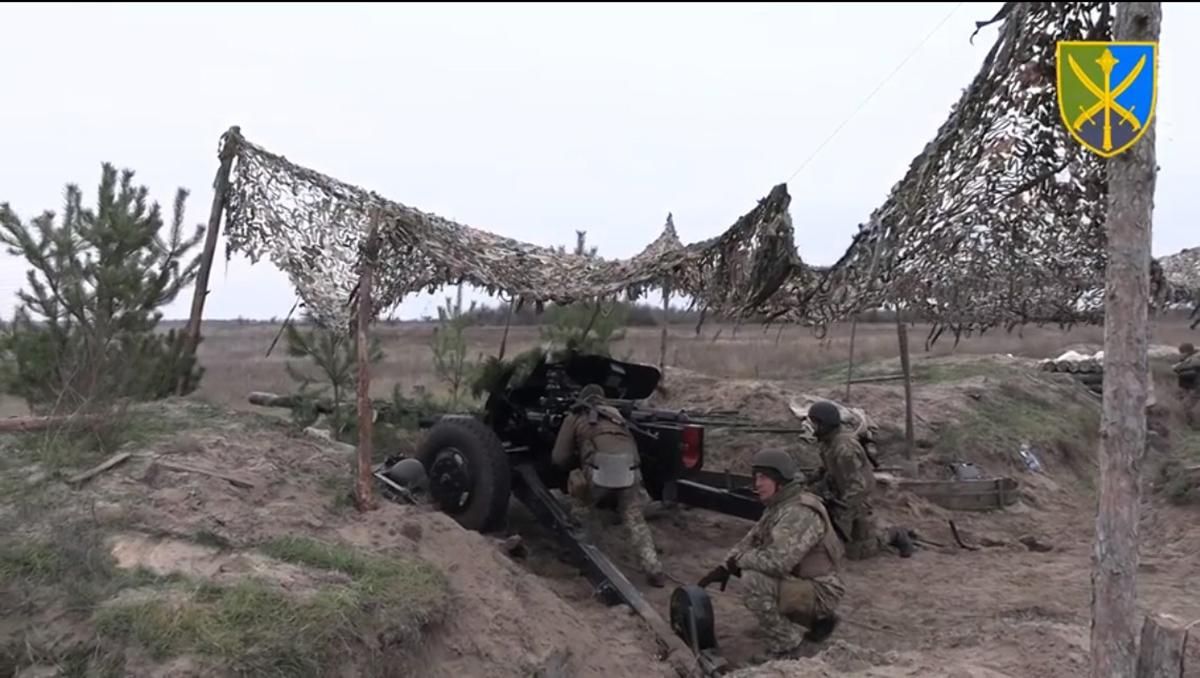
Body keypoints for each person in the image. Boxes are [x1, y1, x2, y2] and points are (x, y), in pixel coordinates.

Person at [699, 448, 846, 661]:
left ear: (780, 480)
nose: (757, 484)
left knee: (753, 580)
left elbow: (778, 563)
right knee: (753, 569)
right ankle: (818, 622)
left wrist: (740, 562)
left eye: (763, 478)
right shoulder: (779, 505)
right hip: (805, 582)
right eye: (756, 477)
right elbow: (750, 540)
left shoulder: (799, 512)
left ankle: (787, 647)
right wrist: (724, 567)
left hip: (822, 590)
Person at [551, 383, 667, 587]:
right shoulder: (616, 415)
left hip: (599, 470)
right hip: (630, 469)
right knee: (634, 518)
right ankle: (653, 567)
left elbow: (559, 458)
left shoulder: (575, 416)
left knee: (582, 508)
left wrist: (577, 463)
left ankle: (581, 554)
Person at [807, 401, 914, 560]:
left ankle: (895, 534)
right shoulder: (828, 443)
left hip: (855, 501)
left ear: (823, 424)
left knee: (856, 552)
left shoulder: (844, 449)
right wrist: (810, 480)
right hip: (840, 495)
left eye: (814, 423)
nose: (811, 427)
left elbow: (858, 487)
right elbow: (827, 468)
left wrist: (841, 511)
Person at [1175, 343, 1199, 425]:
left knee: (1185, 406)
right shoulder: (1187, 360)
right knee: (1184, 405)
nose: (1180, 354)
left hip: (1196, 388)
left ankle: (1191, 424)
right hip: (1188, 387)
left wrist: (1179, 371)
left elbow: (1192, 374)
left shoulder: (1194, 360)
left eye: (1182, 352)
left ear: (1187, 352)